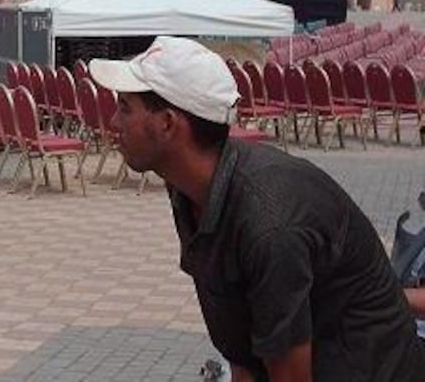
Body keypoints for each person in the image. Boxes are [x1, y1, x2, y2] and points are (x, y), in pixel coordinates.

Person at [89, 36, 425, 380]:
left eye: (125, 107)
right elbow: (241, 347)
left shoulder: (269, 223)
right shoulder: (190, 192)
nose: (114, 122)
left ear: (168, 124)